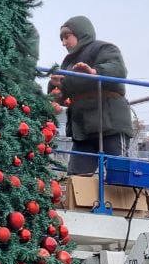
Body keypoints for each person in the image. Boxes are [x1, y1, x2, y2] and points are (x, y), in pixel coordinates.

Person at [47, 15, 134, 175]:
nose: (64, 43)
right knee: (76, 178)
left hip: (110, 125)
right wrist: (55, 88)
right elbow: (63, 90)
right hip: (83, 131)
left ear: (81, 33)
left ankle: (122, 199)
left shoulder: (103, 48)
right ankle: (83, 200)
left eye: (67, 37)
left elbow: (118, 69)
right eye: (62, 39)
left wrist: (95, 72)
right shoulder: (67, 63)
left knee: (120, 176)